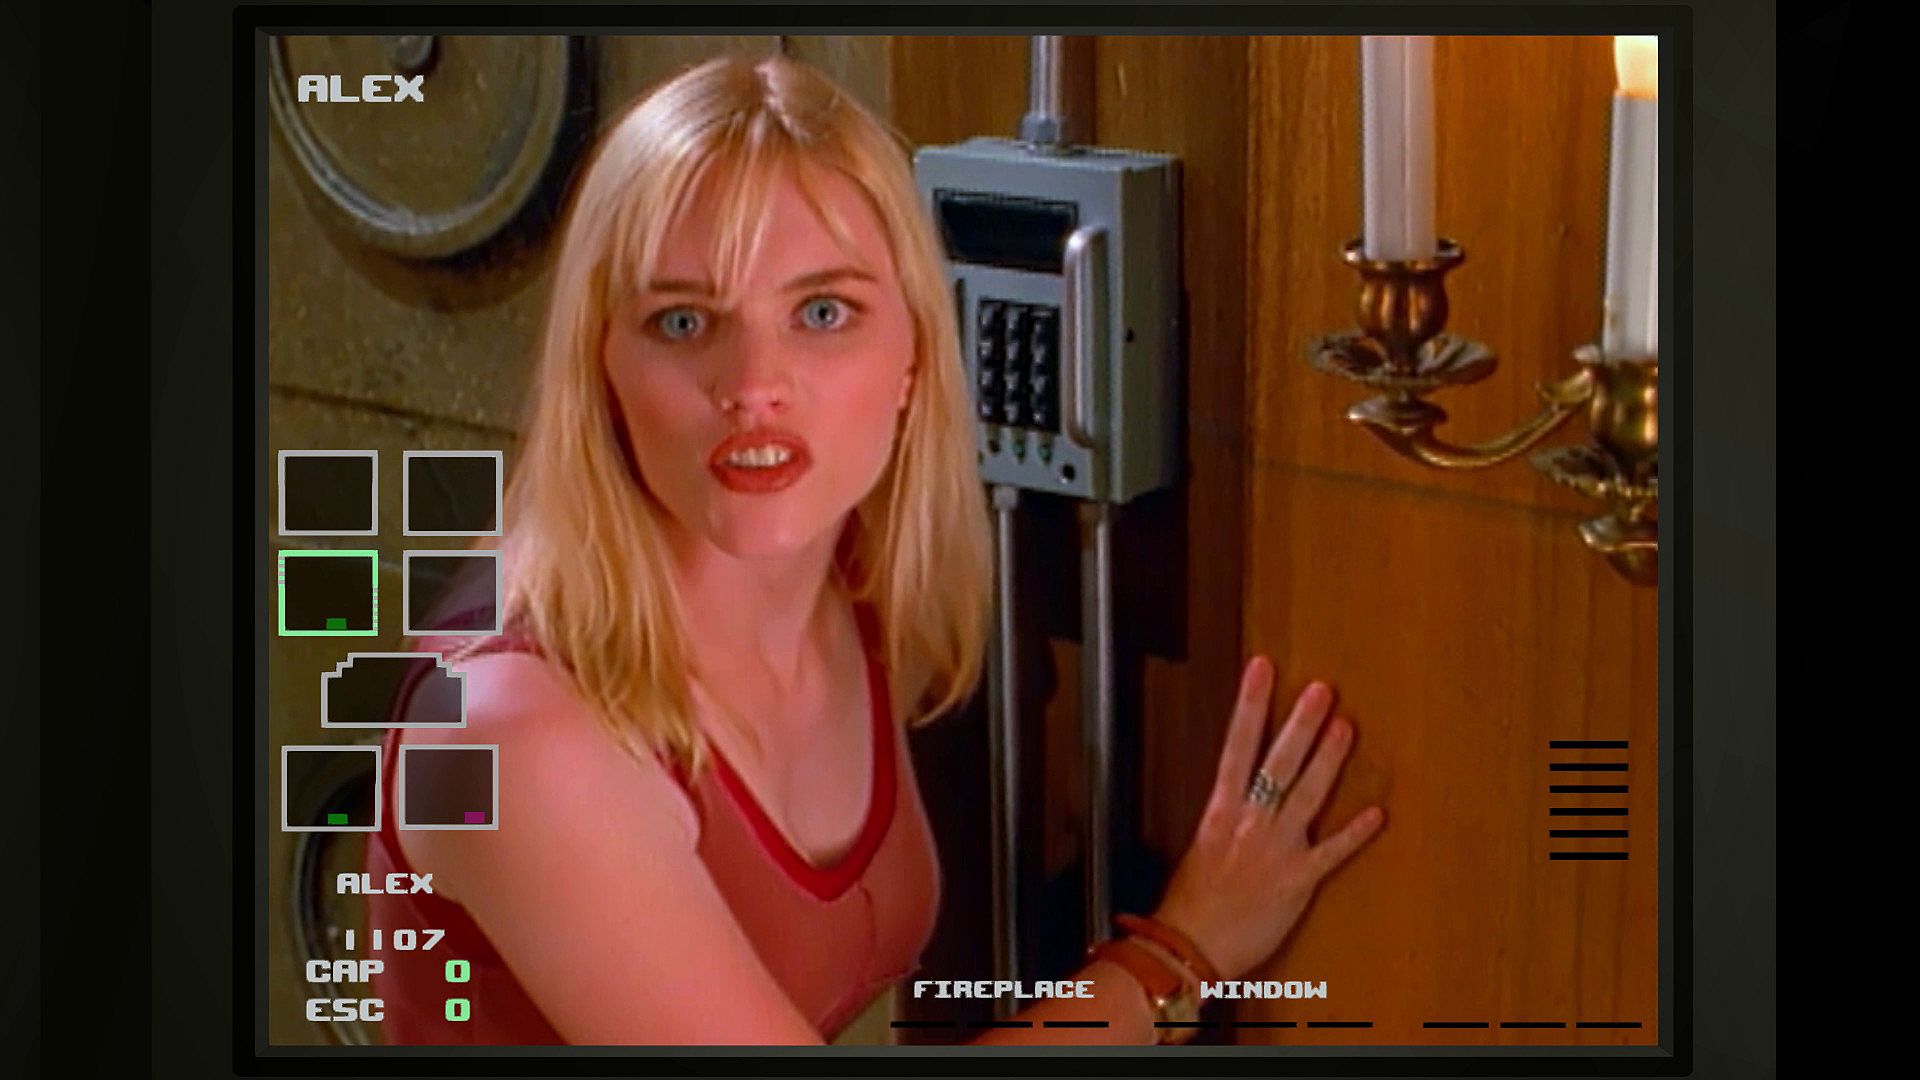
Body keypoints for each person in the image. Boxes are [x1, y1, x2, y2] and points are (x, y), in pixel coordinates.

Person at [364, 52, 1385, 1046]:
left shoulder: (859, 588)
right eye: (682, 321)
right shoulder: (512, 736)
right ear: (601, 368)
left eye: (822, 313)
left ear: (914, 356)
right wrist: (1179, 952)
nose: (754, 385)